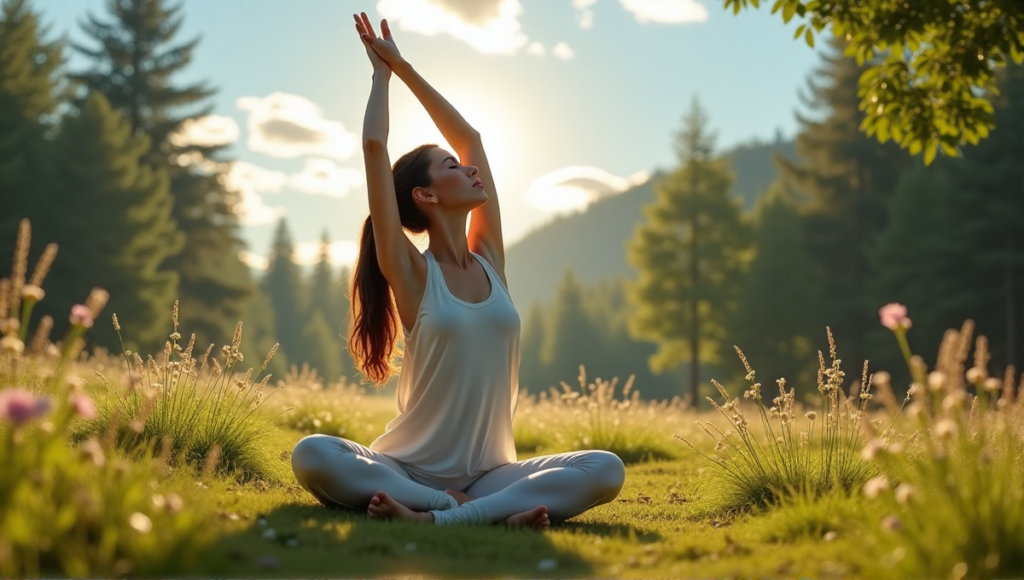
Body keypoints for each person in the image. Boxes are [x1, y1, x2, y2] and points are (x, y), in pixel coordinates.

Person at [290, 12, 626, 528]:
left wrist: (404, 68)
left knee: (605, 468)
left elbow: (472, 139)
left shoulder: (490, 257)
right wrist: (380, 78)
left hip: (492, 472)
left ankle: (449, 514)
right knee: (312, 453)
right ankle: (458, 511)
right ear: (424, 196)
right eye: (450, 167)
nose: (469, 169)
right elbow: (375, 149)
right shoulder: (411, 274)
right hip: (406, 469)